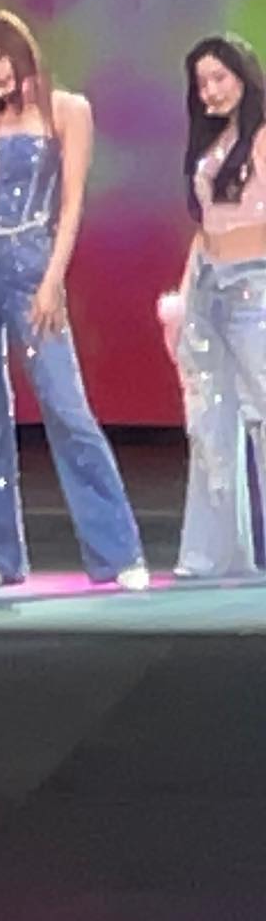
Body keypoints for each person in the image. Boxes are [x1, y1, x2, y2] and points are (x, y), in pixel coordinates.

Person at [0, 10, 147, 589]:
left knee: (66, 407)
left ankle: (118, 553)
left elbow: (72, 202)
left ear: (21, 49)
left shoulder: (68, 109)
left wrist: (53, 278)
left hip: (31, 264)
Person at [159, 34, 266, 578]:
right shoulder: (214, 144)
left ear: (244, 77)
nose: (211, 91)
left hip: (254, 288)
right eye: (202, 83)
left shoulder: (263, 140)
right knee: (209, 422)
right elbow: (204, 233)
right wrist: (183, 302)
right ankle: (212, 554)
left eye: (219, 78)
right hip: (208, 289)